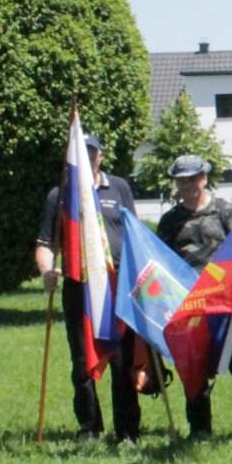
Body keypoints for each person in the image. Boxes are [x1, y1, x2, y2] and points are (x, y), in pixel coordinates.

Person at [35, 133, 140, 443]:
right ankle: (89, 428)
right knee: (82, 362)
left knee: (122, 362)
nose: (88, 158)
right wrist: (46, 271)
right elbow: (44, 244)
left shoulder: (119, 187)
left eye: (91, 153)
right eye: (81, 153)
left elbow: (134, 233)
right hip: (78, 287)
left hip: (118, 285)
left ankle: (127, 432)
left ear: (100, 156)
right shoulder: (60, 195)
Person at [156, 154, 232, 438]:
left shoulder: (225, 212)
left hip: (227, 309)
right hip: (190, 311)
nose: (188, 185)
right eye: (182, 180)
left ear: (204, 178)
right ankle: (200, 429)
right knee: (194, 373)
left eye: (193, 179)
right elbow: (161, 265)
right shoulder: (169, 221)